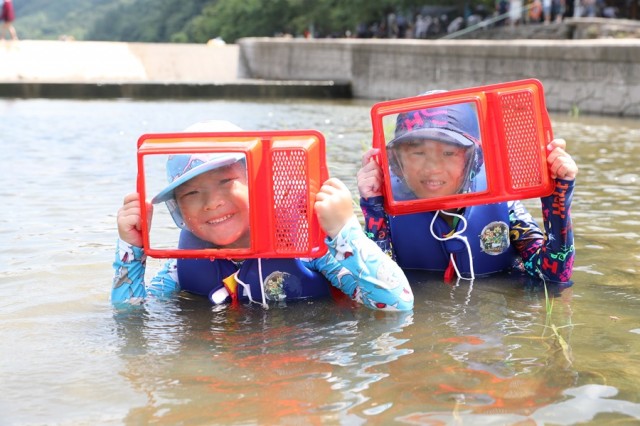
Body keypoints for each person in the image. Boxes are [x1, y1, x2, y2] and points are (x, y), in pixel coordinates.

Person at [113, 120, 414, 311]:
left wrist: (345, 231)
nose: (211, 203)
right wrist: (132, 249)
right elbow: (131, 316)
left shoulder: (308, 248)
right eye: (191, 194)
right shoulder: (183, 264)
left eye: (226, 182)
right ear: (179, 209)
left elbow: (395, 304)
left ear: (259, 185)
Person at [357, 101, 577, 283]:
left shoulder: (503, 206)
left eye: (449, 153)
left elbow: (554, 276)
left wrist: (557, 198)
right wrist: (373, 208)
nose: (432, 168)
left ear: (474, 159)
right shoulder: (385, 210)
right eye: (418, 153)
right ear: (396, 162)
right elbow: (377, 287)